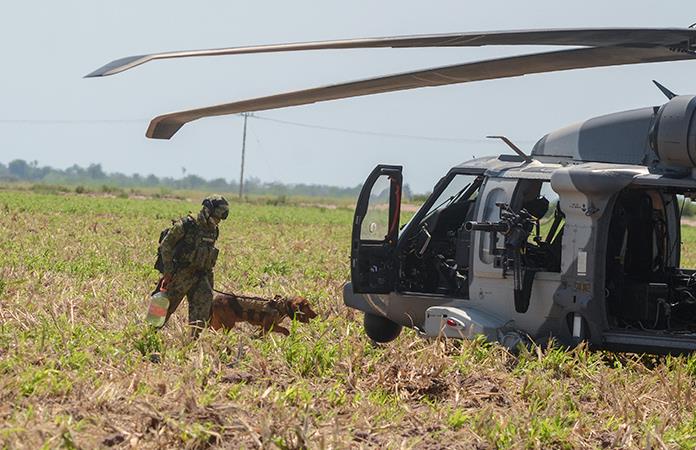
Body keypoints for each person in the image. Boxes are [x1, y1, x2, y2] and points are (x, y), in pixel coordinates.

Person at [154, 195, 229, 336]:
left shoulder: (214, 230)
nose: (217, 222)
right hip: (179, 275)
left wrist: (209, 281)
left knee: (203, 309)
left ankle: (193, 343)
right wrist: (168, 271)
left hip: (201, 276)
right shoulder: (186, 225)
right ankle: (149, 337)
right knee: (162, 309)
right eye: (216, 217)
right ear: (207, 211)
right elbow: (166, 246)